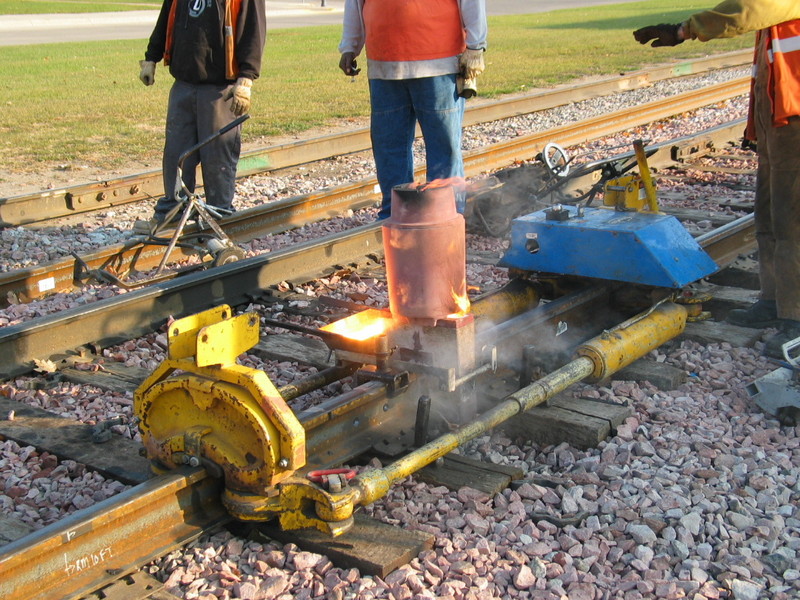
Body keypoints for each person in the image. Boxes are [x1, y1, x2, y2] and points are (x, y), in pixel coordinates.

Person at [633, 0, 800, 359]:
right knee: (770, 215)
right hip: (780, 110)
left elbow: (750, 10)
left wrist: (684, 29)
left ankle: (796, 317)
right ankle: (775, 300)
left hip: (796, 113)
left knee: (794, 223)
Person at [338, 0, 488, 220]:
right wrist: (349, 46)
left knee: (442, 147)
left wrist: (476, 46)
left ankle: (444, 216)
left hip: (438, 64)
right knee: (389, 147)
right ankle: (397, 214)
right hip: (385, 66)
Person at [134, 0, 267, 233]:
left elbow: (253, 29)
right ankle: (173, 215)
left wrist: (246, 77)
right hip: (184, 83)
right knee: (176, 155)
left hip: (220, 90)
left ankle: (219, 218)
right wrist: (151, 57)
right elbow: (167, 17)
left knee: (217, 159)